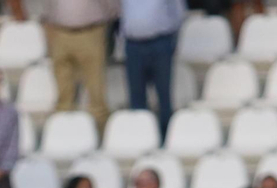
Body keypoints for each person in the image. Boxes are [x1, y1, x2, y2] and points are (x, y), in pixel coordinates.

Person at [45, 0, 113, 128]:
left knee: (96, 93)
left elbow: (112, 6)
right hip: (60, 32)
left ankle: (100, 135)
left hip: (90, 31)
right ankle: (62, 134)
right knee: (63, 96)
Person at [121, 0, 184, 136]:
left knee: (163, 95)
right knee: (136, 97)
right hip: (133, 45)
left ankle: (166, 137)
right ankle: (140, 136)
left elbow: (178, 12)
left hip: (160, 43)